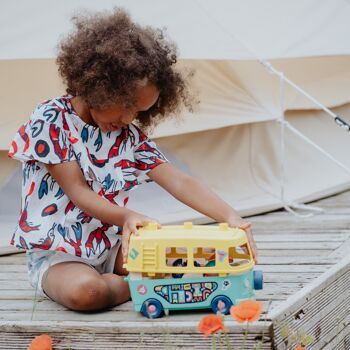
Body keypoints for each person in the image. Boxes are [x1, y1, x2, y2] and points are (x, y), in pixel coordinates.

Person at [8, 8, 258, 312]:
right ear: (99, 85)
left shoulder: (127, 135)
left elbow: (178, 180)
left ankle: (148, 279)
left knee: (174, 257)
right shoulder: (51, 119)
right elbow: (78, 192)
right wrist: (128, 217)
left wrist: (230, 217)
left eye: (138, 112)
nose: (128, 118)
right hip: (59, 254)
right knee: (87, 293)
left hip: (113, 247)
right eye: (125, 105)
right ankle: (140, 286)